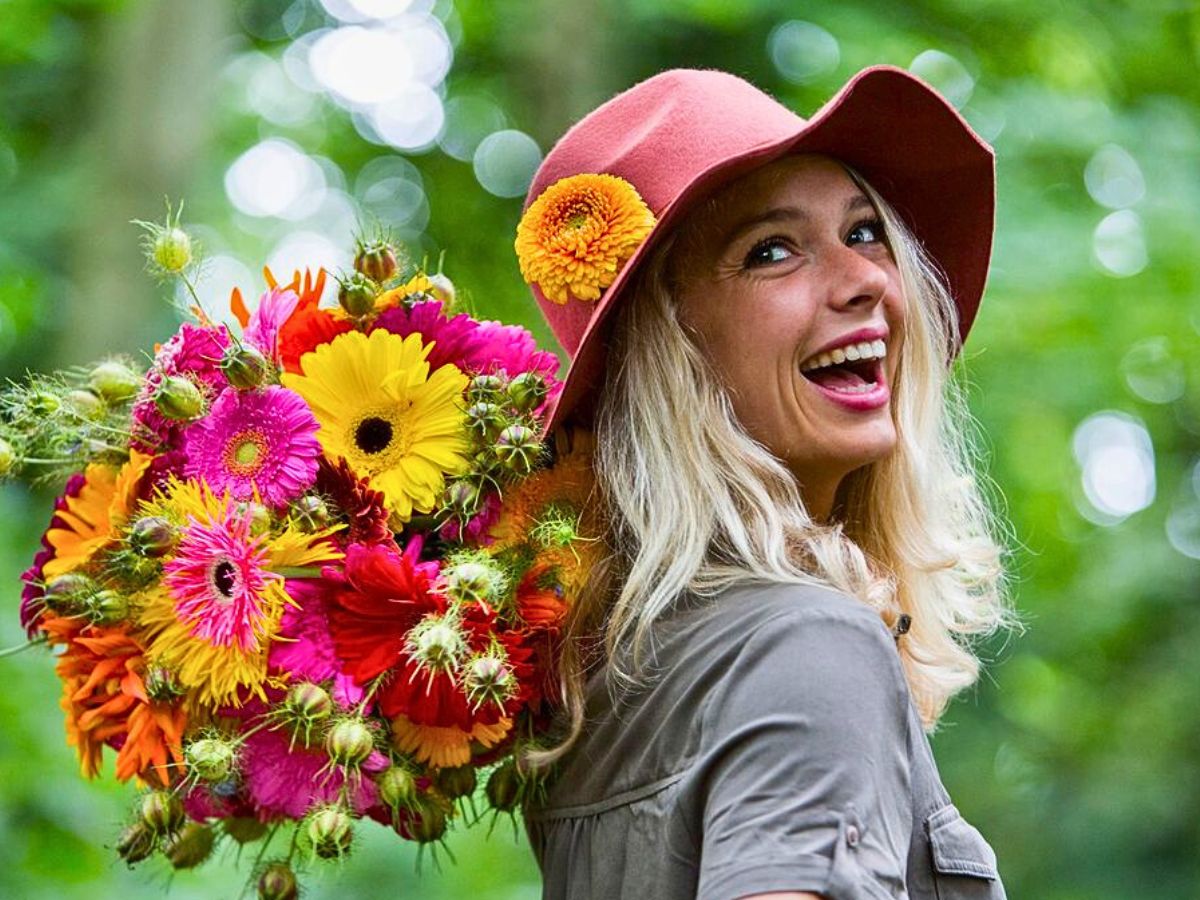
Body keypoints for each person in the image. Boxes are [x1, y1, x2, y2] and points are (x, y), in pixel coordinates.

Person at [511, 66, 1015, 900]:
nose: (868, 283)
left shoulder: (593, 699)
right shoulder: (808, 643)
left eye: (863, 232)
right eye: (771, 251)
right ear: (672, 354)